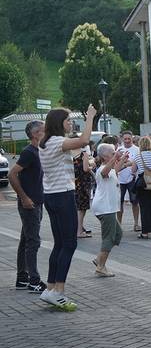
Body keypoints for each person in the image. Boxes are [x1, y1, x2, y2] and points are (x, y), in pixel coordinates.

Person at [38, 104, 96, 311]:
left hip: (51, 196)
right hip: (62, 196)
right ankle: (58, 292)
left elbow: (77, 149)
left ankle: (51, 288)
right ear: (58, 123)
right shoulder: (56, 141)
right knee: (69, 244)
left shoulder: (45, 143)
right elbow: (84, 140)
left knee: (59, 244)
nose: (71, 123)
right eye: (68, 120)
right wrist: (90, 117)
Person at [9, 120, 46, 293]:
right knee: (33, 241)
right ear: (35, 134)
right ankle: (34, 280)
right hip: (30, 203)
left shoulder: (37, 151)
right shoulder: (29, 152)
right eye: (44, 129)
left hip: (37, 201)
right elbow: (12, 174)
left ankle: (22, 278)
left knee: (26, 240)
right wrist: (24, 197)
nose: (46, 132)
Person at [90, 144, 128, 277]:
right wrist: (116, 158)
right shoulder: (102, 169)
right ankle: (100, 266)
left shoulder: (110, 168)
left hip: (109, 207)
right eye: (112, 154)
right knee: (109, 237)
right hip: (104, 208)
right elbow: (105, 172)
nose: (115, 155)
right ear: (105, 156)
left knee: (118, 234)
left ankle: (99, 259)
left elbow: (114, 170)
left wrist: (122, 159)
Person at [132, 136, 151, 239]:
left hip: (143, 183)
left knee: (144, 208)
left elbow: (133, 170)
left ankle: (145, 232)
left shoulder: (138, 156)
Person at [117, 131, 141, 232]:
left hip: (132, 179)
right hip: (120, 179)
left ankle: (136, 223)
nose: (127, 141)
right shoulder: (119, 149)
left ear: (132, 139)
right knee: (119, 203)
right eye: (125, 139)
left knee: (134, 202)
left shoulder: (137, 150)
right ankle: (119, 225)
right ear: (122, 139)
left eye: (129, 139)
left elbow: (138, 163)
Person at [73, 145, 95, 238]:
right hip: (83, 183)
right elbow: (85, 169)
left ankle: (79, 228)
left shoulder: (70, 154)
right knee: (82, 208)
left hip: (74, 182)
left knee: (76, 207)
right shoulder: (84, 154)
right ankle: (79, 231)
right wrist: (92, 167)